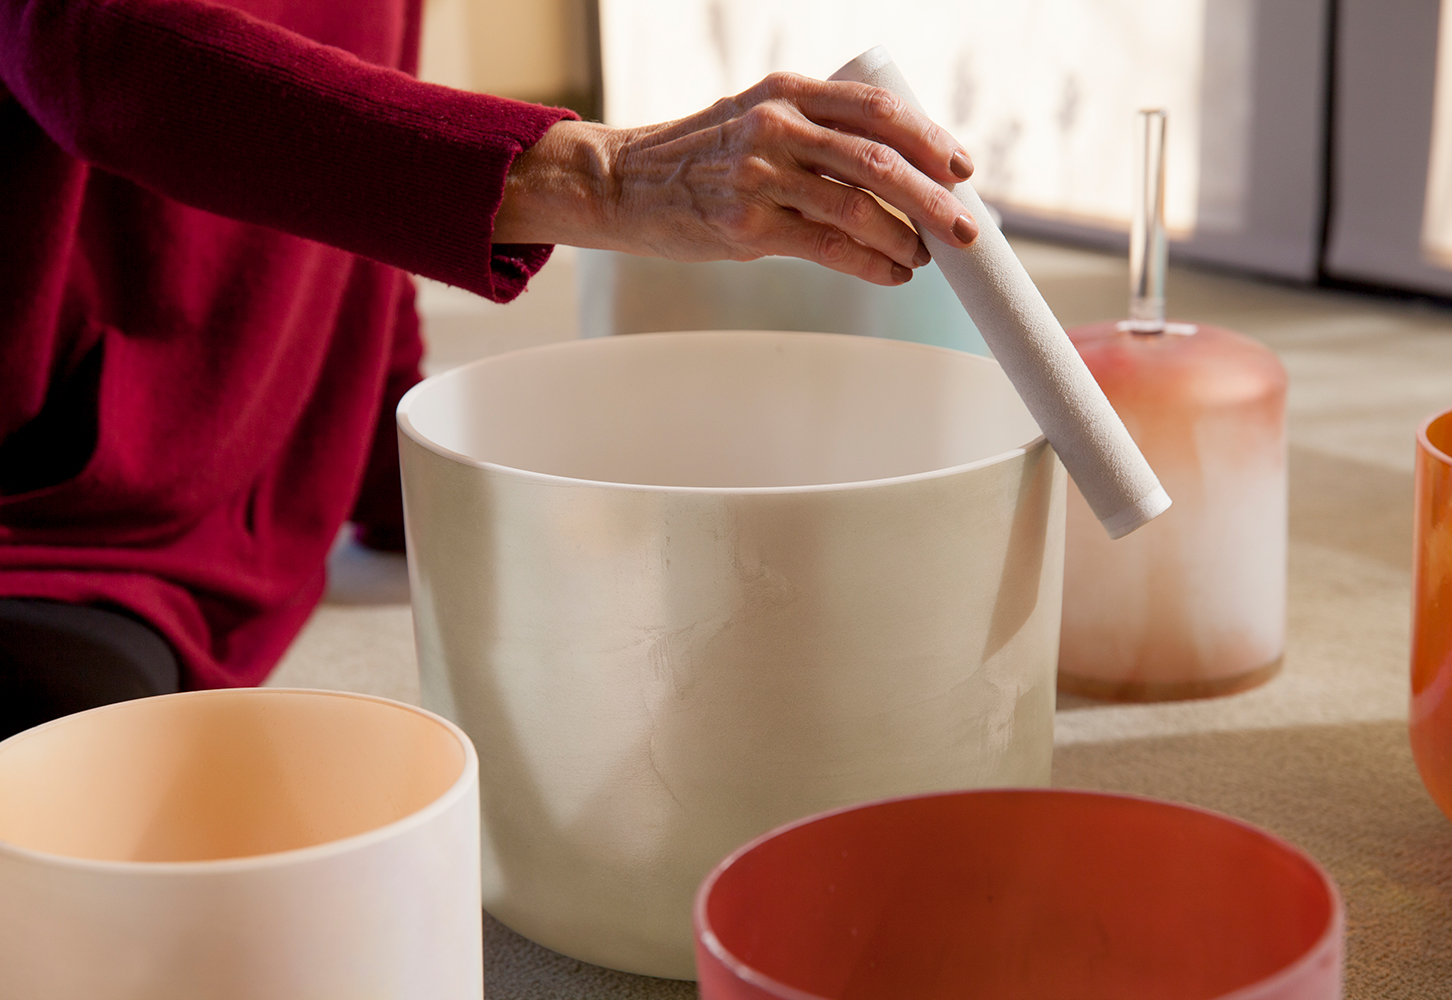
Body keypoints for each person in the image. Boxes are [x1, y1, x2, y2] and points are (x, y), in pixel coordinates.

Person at [0, 0, 980, 741]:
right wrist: (603, 178)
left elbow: (348, 129)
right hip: (44, 531)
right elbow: (92, 45)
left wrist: (409, 458)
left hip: (226, 523)